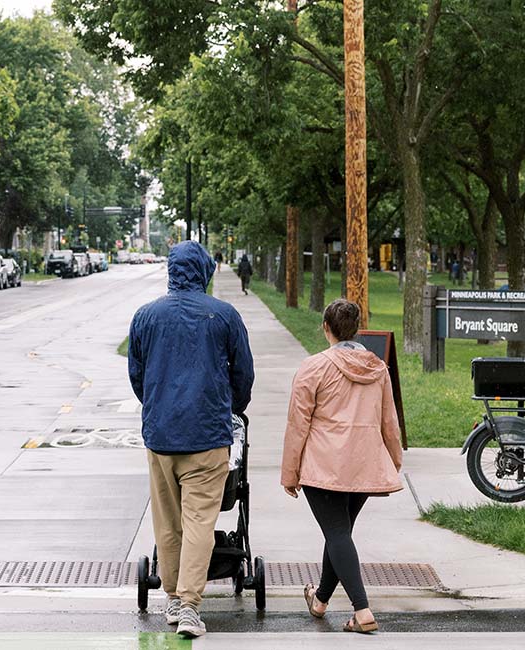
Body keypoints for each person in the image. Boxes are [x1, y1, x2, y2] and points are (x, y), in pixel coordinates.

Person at [128, 241, 254, 638]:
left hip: (161, 436)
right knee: (200, 521)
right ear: (204, 271)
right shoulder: (224, 316)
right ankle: (189, 606)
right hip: (207, 436)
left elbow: (137, 375)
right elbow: (243, 374)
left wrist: (158, 406)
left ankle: (172, 596)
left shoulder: (146, 316)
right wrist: (229, 408)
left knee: (168, 522)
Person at [281, 299, 403, 635]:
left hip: (324, 467)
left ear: (326, 328)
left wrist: (290, 472)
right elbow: (389, 422)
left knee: (336, 533)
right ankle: (320, 600)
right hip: (364, 465)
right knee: (339, 533)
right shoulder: (378, 369)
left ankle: (362, 611)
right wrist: (392, 460)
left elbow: (298, 424)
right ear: (357, 328)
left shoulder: (313, 368)